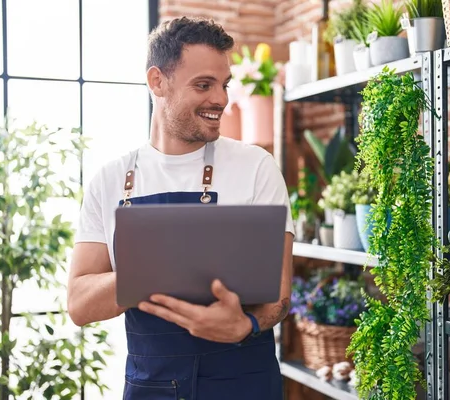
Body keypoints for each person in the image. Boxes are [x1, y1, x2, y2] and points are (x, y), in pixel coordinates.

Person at [67, 16, 295, 400]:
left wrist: (246, 324)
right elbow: (79, 304)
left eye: (224, 85)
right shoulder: (110, 179)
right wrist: (156, 269)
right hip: (150, 386)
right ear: (158, 82)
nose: (221, 99)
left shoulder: (257, 167)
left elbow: (279, 297)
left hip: (243, 384)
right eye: (203, 85)